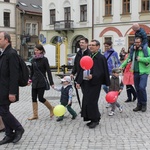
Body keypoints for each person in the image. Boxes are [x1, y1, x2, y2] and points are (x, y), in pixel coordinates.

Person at [78, 39, 110, 128]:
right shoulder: (88, 56)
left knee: (92, 101)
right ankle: (91, 118)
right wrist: (79, 81)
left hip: (95, 83)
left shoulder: (100, 57)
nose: (91, 46)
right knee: (86, 100)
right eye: (90, 45)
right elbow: (82, 68)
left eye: (93, 45)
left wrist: (93, 76)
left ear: (98, 47)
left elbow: (102, 72)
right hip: (86, 82)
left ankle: (95, 119)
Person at [0, 31, 24, 145]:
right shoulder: (3, 53)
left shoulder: (11, 53)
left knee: (3, 111)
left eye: (0, 39)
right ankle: (9, 134)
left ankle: (18, 128)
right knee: (4, 111)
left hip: (7, 89)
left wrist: (12, 92)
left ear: (7, 40)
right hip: (2, 88)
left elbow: (14, 74)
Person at [120, 37, 150, 112]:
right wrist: (121, 66)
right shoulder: (133, 50)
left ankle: (144, 104)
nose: (137, 44)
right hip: (135, 72)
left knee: (142, 87)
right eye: (136, 42)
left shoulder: (147, 49)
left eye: (138, 42)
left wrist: (141, 59)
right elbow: (128, 59)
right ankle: (139, 105)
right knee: (137, 89)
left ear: (142, 42)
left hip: (144, 72)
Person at [28, 44, 54, 120]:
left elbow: (48, 71)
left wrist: (51, 82)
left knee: (41, 98)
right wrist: (30, 80)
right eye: (35, 50)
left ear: (41, 51)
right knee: (33, 98)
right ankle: (35, 115)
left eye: (38, 50)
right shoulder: (33, 60)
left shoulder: (44, 59)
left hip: (42, 81)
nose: (36, 52)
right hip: (35, 81)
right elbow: (32, 71)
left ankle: (51, 108)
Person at [70, 37, 91, 108]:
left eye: (82, 43)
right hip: (79, 75)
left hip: (87, 76)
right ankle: (85, 108)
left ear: (86, 44)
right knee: (84, 93)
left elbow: (85, 68)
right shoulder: (79, 53)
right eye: (80, 43)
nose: (81, 44)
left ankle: (87, 108)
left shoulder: (89, 53)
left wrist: (78, 81)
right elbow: (76, 64)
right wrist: (73, 73)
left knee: (87, 93)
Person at [103, 41, 121, 107]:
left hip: (112, 72)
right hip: (106, 72)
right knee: (104, 87)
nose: (106, 47)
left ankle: (111, 100)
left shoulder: (114, 53)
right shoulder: (105, 53)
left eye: (107, 46)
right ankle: (111, 98)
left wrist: (116, 71)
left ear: (110, 46)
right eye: (105, 46)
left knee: (112, 88)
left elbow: (118, 62)